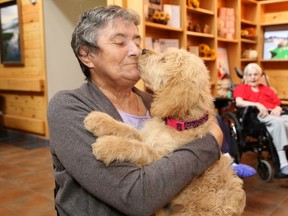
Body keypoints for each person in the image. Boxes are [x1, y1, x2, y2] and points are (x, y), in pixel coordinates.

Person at [47, 5, 223, 216]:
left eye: (137, 41)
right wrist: (210, 142)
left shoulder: (155, 103)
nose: (136, 50)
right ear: (86, 55)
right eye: (120, 42)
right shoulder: (68, 107)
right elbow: (136, 196)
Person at [233, 63, 288, 177]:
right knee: (278, 123)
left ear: (260, 76)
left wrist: (278, 108)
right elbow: (239, 102)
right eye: (250, 75)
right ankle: (283, 163)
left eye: (256, 74)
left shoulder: (267, 89)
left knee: (284, 120)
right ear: (245, 77)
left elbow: (278, 104)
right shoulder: (241, 88)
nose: (253, 77)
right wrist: (257, 104)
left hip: (274, 113)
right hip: (257, 115)